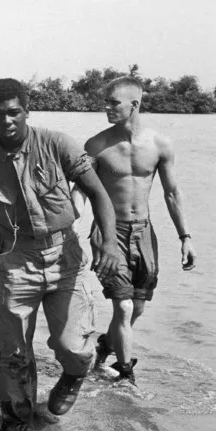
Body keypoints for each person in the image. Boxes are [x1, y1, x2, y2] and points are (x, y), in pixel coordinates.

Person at [0, 78, 120, 431]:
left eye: (14, 112)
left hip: (65, 255)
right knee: (11, 352)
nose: (7, 121)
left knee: (74, 347)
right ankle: (16, 421)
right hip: (16, 257)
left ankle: (73, 375)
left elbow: (99, 195)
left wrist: (111, 244)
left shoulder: (57, 144)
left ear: (27, 111)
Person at [84, 76, 197, 384]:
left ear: (134, 105)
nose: (106, 107)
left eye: (113, 103)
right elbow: (80, 192)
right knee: (122, 305)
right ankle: (126, 375)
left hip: (143, 233)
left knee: (137, 308)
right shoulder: (96, 145)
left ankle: (105, 348)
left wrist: (185, 237)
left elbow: (172, 193)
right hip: (109, 233)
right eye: (105, 101)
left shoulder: (160, 144)